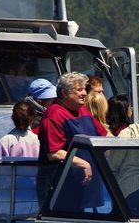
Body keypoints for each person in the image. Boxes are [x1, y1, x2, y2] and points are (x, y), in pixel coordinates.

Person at [36, 73, 109, 206]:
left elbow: (104, 136)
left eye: (84, 89)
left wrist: (127, 144)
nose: (84, 93)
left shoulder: (83, 111)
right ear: (64, 93)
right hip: (61, 191)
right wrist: (84, 164)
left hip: (83, 188)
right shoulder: (53, 115)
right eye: (79, 90)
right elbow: (54, 153)